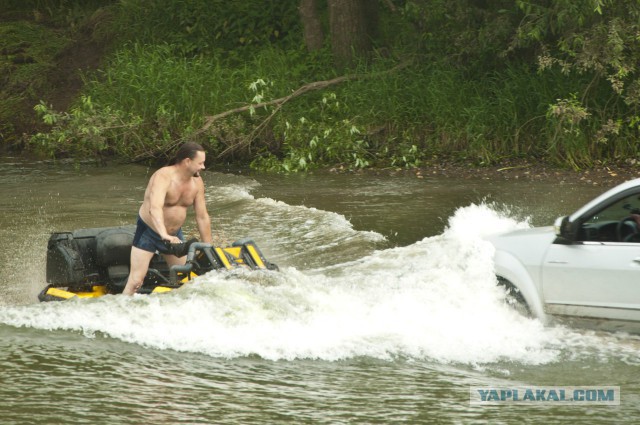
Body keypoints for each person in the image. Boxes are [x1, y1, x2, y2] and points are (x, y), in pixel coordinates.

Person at [122, 142, 212, 295]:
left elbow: (202, 216)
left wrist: (209, 247)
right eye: (200, 163)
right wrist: (163, 234)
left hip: (174, 236)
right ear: (187, 161)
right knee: (136, 281)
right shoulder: (163, 176)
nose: (203, 167)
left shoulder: (197, 182)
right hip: (149, 232)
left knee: (187, 279)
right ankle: (121, 309)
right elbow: (154, 208)